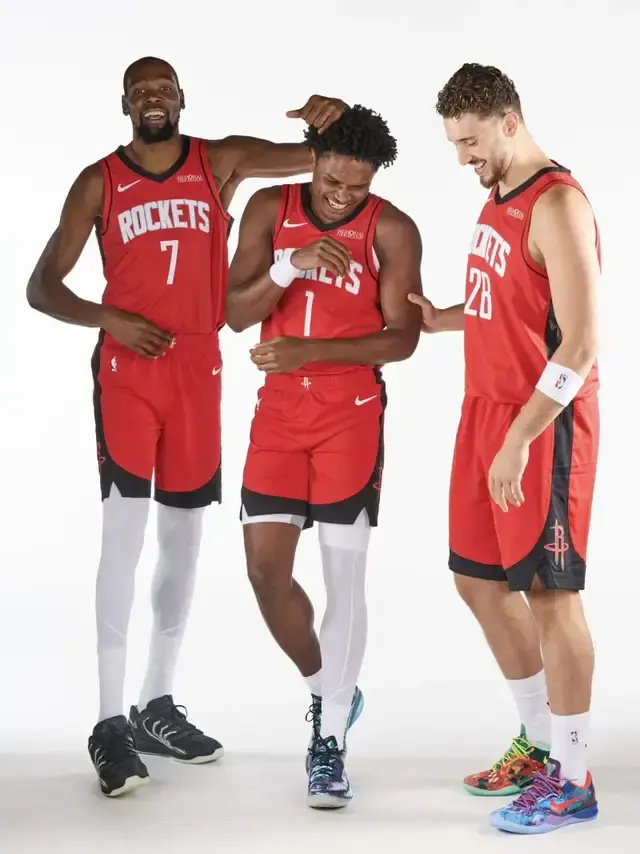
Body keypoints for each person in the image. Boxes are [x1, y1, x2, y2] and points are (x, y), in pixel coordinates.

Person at [26, 55, 347, 798]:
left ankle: (155, 703)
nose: (153, 98)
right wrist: (111, 317)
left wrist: (333, 120)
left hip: (198, 370)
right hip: (129, 373)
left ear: (180, 98)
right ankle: (109, 721)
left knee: (183, 541)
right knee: (124, 540)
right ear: (124, 104)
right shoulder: (99, 181)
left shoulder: (219, 162)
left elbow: (320, 159)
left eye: (163, 88)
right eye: (140, 90)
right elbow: (42, 287)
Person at [409, 63, 600, 834]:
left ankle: (574, 779)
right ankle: (538, 739)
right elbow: (514, 304)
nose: (463, 158)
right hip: (483, 413)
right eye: (455, 144)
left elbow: (581, 343)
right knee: (478, 580)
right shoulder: (499, 193)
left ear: (510, 123)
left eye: (471, 142)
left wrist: (522, 438)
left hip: (541, 425)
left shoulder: (556, 202)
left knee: (551, 594)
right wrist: (444, 318)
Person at [226, 105, 422, 808]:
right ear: (312, 160)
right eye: (333, 182)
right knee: (265, 573)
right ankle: (329, 687)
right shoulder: (268, 209)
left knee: (344, 578)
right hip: (280, 413)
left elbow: (402, 337)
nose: (342, 197)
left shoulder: (391, 229)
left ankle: (329, 739)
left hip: (351, 415)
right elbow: (235, 312)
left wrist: (312, 350)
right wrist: (290, 263)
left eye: (357, 187)